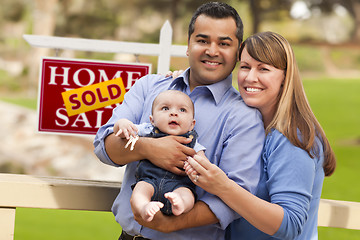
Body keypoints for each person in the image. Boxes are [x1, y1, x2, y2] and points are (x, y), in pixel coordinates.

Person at [93, 2, 265, 240]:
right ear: (188, 45)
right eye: (202, 41)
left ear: (237, 52)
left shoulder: (244, 117)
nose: (212, 51)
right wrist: (149, 148)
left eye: (224, 43)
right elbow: (104, 147)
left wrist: (170, 224)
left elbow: (236, 197)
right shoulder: (149, 87)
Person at [184, 31, 336, 240]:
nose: (250, 77)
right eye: (245, 66)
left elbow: (290, 224)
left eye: (263, 69)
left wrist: (223, 187)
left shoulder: (291, 137)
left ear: (285, 77)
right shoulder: (247, 126)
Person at [114, 90, 206, 222]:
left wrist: (198, 167)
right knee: (139, 191)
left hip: (179, 185)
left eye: (182, 110)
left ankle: (180, 204)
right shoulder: (147, 130)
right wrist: (121, 124)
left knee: (188, 195)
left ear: (192, 124)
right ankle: (144, 207)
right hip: (149, 181)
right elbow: (122, 132)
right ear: (152, 120)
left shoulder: (192, 141)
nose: (173, 113)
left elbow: (203, 163)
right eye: (165, 108)